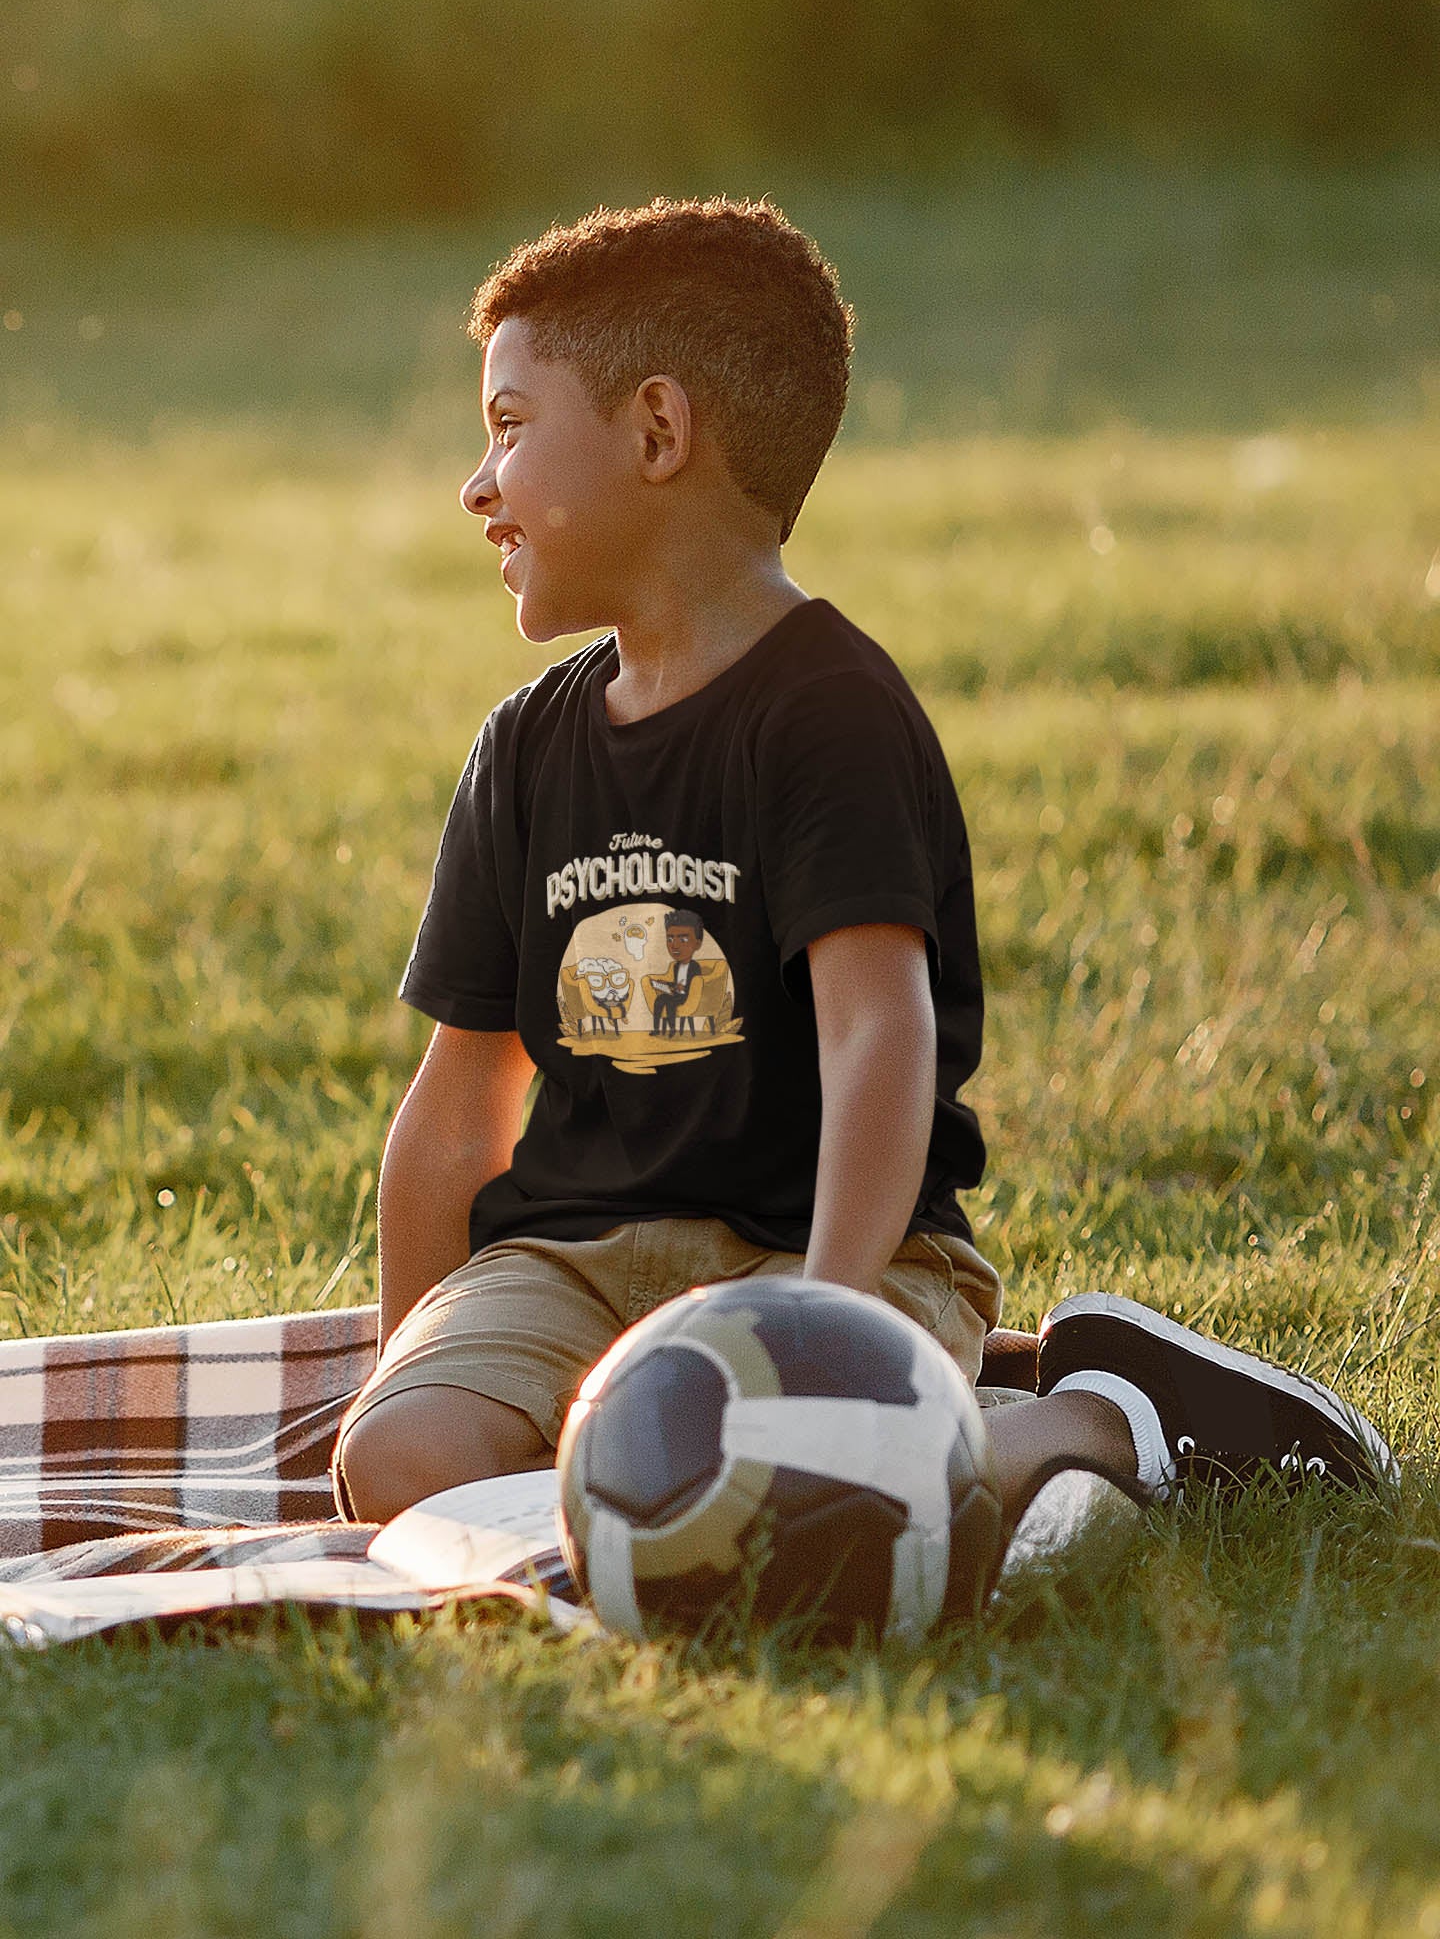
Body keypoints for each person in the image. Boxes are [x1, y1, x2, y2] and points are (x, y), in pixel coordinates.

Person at [332, 198, 1395, 1536]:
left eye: (507, 426)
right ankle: (846, 1449)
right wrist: (403, 1364)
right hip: (575, 1259)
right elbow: (454, 1108)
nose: (477, 485)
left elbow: (878, 1039)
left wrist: (824, 1333)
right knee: (406, 1465)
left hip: (836, 1249)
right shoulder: (528, 747)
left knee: (781, 1494)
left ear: (657, 432)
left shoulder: (825, 713)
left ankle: (1100, 1421)